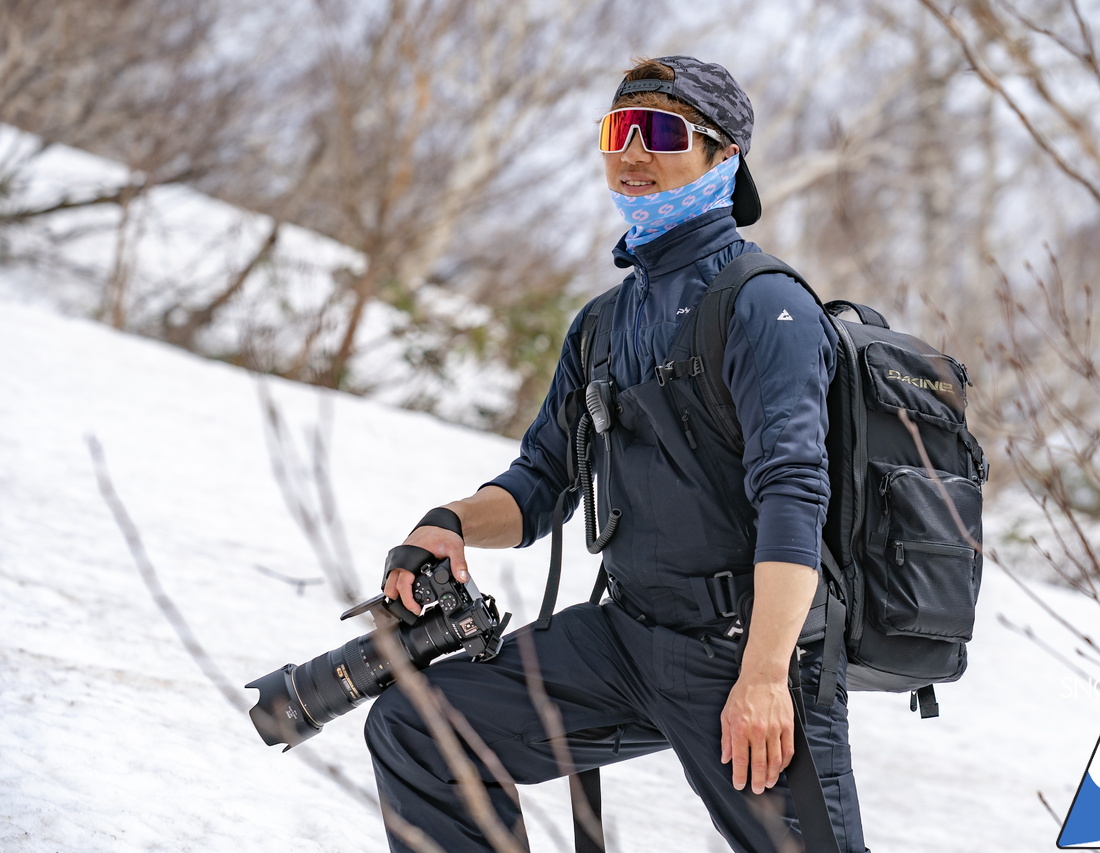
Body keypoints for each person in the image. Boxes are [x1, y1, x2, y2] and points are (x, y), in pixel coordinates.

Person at [366, 55, 866, 853]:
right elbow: (540, 481)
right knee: (422, 725)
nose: (632, 153)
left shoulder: (765, 304)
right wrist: (448, 521)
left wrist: (767, 675)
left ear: (723, 156)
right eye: (616, 131)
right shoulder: (603, 322)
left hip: (746, 651)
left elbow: (793, 498)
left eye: (661, 132)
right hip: (627, 638)